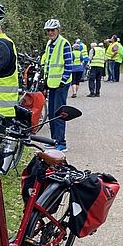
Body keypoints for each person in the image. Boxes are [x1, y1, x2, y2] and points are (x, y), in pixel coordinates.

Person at [40, 19, 73, 150]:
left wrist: (63, 81)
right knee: (52, 114)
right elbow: (48, 64)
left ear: (58, 30)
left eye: (52, 30)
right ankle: (54, 140)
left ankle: (61, 142)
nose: (50, 33)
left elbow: (69, 65)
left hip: (61, 84)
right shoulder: (49, 44)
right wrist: (45, 81)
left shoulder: (64, 44)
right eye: (48, 31)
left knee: (59, 114)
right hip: (51, 84)